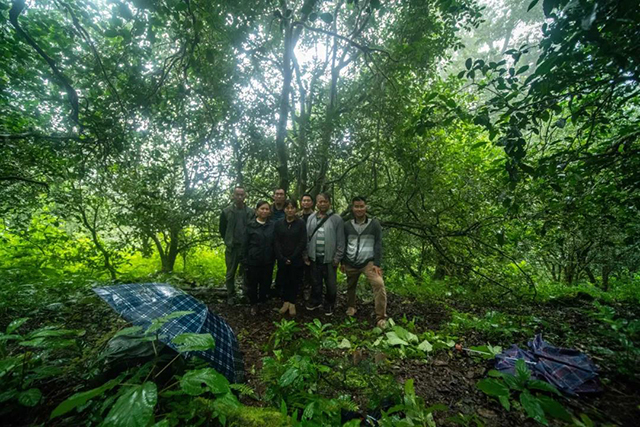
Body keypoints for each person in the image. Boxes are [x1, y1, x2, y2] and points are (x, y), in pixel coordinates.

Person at [342, 196, 388, 329]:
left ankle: (381, 317)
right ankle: (351, 307)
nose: (359, 209)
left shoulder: (374, 224)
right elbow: (343, 243)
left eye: (361, 206)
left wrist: (377, 263)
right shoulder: (347, 225)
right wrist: (343, 262)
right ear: (352, 208)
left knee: (379, 284)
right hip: (350, 261)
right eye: (356, 206)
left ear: (366, 207)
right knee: (350, 285)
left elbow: (378, 243)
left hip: (368, 262)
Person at [305, 193, 344, 316]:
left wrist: (337, 257)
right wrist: (305, 253)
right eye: (320, 201)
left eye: (325, 201)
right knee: (315, 282)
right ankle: (316, 301)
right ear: (316, 203)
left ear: (329, 203)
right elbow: (306, 237)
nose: (322, 204)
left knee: (331, 284)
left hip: (329, 258)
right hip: (314, 256)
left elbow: (341, 240)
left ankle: (329, 304)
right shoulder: (311, 218)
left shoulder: (336, 219)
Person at [219, 186, 254, 305]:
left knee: (247, 272)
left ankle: (246, 294)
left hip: (246, 247)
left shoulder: (250, 212)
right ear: (233, 196)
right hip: (232, 248)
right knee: (230, 273)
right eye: (237, 194)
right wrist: (229, 241)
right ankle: (231, 295)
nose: (239, 197)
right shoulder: (226, 211)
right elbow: (222, 229)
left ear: (245, 196)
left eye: (242, 195)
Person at [274, 199, 307, 316]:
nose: (290, 210)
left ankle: (292, 302)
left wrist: (292, 257)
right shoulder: (278, 223)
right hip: (282, 258)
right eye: (287, 208)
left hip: (296, 258)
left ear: (296, 209)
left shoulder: (301, 223)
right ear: (284, 209)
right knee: (284, 279)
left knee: (295, 280)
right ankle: (285, 302)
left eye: (292, 208)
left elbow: (303, 241)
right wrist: (282, 257)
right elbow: (276, 241)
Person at [242, 201, 275, 315]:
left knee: (265, 283)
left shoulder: (272, 225)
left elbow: (275, 243)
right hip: (253, 260)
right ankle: (253, 304)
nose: (264, 211)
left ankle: (263, 303)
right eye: (262, 209)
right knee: (252, 284)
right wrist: (245, 261)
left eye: (267, 209)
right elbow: (245, 244)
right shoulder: (250, 226)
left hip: (268, 260)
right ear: (256, 211)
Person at [298, 193, 315, 301]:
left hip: (312, 246)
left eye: (308, 200)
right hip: (298, 247)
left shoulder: (317, 216)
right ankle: (298, 289)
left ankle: (308, 290)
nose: (306, 202)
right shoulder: (297, 215)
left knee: (310, 271)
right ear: (301, 203)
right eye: (304, 200)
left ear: (312, 203)